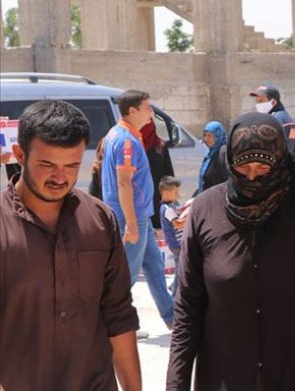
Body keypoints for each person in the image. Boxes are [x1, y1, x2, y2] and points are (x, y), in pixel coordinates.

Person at [167, 112, 295, 391]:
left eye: (263, 168)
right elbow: (188, 307)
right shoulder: (206, 209)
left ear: (281, 159)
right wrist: (175, 385)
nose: (252, 177)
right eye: (243, 168)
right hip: (224, 378)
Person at [1, 100, 141, 390]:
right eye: (47, 164)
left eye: (72, 165)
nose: (60, 177)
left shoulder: (100, 220)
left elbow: (119, 314)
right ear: (19, 154)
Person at [101, 90, 175, 329]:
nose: (151, 113)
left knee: (154, 268)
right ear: (132, 111)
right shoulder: (126, 141)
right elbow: (124, 183)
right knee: (127, 276)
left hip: (137, 215)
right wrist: (132, 225)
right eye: (147, 108)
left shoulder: (121, 134)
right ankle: (108, 326)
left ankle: (173, 319)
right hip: (131, 216)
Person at [141, 118, 175, 229]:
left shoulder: (160, 146)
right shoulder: (135, 145)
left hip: (158, 198)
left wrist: (171, 196)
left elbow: (168, 173)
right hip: (142, 197)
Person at [250, 83, 295, 155]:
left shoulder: (274, 120)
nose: (258, 105)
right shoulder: (284, 117)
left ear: (273, 102)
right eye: (257, 101)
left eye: (261, 101)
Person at [158, 175, 185, 295]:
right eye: (175, 192)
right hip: (176, 243)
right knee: (180, 269)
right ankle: (175, 292)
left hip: (176, 243)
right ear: (166, 192)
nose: (178, 195)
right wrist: (191, 218)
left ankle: (174, 286)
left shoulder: (170, 207)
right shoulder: (167, 209)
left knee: (181, 267)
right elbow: (178, 224)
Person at [197, 121, 227, 194]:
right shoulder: (209, 153)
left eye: (210, 136)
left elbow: (227, 180)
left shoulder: (223, 153)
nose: (206, 139)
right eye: (205, 135)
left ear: (218, 135)